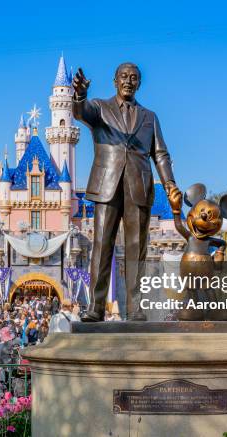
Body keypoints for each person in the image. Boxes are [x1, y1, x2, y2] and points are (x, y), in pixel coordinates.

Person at [72, 63, 181, 321]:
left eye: (134, 78)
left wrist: (170, 184)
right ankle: (96, 308)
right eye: (124, 77)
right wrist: (79, 96)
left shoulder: (150, 117)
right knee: (101, 245)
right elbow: (81, 113)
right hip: (106, 184)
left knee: (137, 248)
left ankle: (135, 308)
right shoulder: (100, 108)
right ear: (114, 81)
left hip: (139, 186)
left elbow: (160, 154)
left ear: (139, 83)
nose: (128, 81)